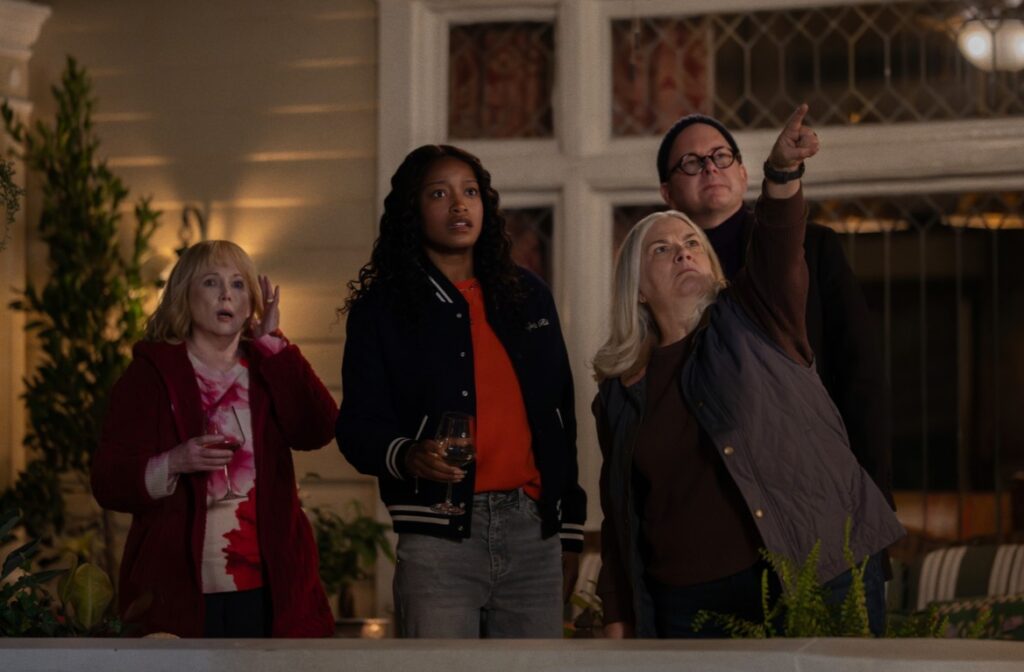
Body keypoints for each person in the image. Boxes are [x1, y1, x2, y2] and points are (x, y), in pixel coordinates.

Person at [593, 105, 904, 639]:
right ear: (636, 288)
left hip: (808, 562)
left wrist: (781, 172)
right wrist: (618, 607)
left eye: (691, 244)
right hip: (687, 602)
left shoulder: (754, 315)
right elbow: (621, 506)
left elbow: (780, 243)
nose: (682, 254)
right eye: (662, 250)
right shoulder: (620, 392)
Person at [336, 144, 586, 638]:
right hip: (437, 540)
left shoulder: (528, 296)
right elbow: (357, 428)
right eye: (438, 193)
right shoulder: (381, 310)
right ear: (412, 208)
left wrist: (570, 530)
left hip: (534, 532)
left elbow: (562, 417)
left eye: (470, 192)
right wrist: (408, 455)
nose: (458, 205)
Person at [92, 241, 337, 638]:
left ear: (250, 300)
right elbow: (108, 481)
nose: (226, 294)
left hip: (269, 587)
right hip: (178, 591)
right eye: (211, 282)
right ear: (184, 294)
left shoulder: (268, 365)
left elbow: (317, 429)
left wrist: (274, 343)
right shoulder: (149, 375)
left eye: (238, 284)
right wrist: (174, 461)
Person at [655, 111, 893, 513]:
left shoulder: (813, 248)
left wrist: (873, 492)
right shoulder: (659, 275)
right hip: (711, 495)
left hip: (816, 481)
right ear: (668, 193)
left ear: (743, 173)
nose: (710, 167)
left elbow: (859, 372)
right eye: (691, 162)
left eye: (721, 156)